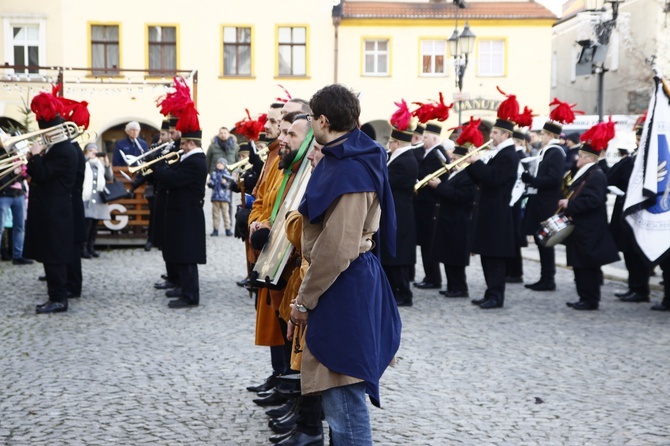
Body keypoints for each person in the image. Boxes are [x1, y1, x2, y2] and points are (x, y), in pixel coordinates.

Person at [288, 84, 401, 444]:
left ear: (322, 120)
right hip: (340, 282)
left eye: (310, 119)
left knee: (343, 393)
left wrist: (304, 301)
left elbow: (338, 247)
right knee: (338, 394)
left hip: (344, 285)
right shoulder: (345, 157)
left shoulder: (352, 169)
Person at [24, 92, 78, 314]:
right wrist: (34, 158)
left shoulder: (64, 151)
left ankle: (58, 299)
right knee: (49, 254)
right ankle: (55, 296)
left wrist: (36, 157)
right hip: (50, 209)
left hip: (54, 211)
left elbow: (44, 175)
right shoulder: (56, 149)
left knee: (54, 256)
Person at [467, 90, 520, 309]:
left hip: (498, 213)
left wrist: (477, 163)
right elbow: (482, 179)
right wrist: (471, 165)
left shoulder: (509, 155)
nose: (492, 136)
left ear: (506, 135)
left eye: (496, 133)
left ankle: (496, 296)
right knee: (487, 255)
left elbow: (494, 179)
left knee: (495, 258)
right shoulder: (498, 153)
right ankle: (490, 292)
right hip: (489, 212)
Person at [152, 99, 207, 309]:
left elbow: (174, 179)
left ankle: (190, 296)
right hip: (183, 213)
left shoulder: (195, 161)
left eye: (183, 144)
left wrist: (158, 167)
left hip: (188, 215)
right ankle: (185, 291)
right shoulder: (190, 159)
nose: (180, 147)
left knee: (187, 258)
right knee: (183, 256)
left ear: (191, 143)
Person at [560, 121, 620, 310]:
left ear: (588, 158)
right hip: (583, 227)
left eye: (581, 155)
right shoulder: (588, 173)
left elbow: (593, 201)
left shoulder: (595, 175)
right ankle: (584, 296)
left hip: (590, 229)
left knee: (587, 266)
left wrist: (571, 204)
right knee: (581, 265)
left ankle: (589, 299)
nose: (577, 158)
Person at [521, 104, 571, 291]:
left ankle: (548, 279)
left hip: (547, 202)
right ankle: (545, 277)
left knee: (546, 241)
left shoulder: (555, 152)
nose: (540, 137)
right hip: (540, 200)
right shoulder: (548, 152)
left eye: (542, 134)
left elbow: (554, 179)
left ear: (550, 135)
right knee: (541, 241)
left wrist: (532, 180)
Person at [429, 120, 479, 298]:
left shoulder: (467, 176)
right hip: (448, 219)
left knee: (455, 258)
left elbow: (460, 196)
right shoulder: (454, 174)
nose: (453, 161)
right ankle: (452, 286)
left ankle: (459, 287)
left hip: (459, 220)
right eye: (453, 159)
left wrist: (439, 187)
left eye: (456, 159)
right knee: (447, 256)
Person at [382, 125, 418, 307]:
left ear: (396, 142)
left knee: (399, 258)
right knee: (392, 255)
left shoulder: (405, 161)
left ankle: (404, 293)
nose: (389, 145)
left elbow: (385, 181)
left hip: (400, 214)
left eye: (390, 142)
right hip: (396, 212)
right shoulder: (398, 157)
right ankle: (395, 291)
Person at [413, 121, 449, 290]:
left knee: (429, 244)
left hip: (430, 204)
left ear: (435, 138)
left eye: (426, 137)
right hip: (423, 204)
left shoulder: (438, 154)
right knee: (426, 244)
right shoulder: (428, 152)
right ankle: (430, 276)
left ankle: (433, 278)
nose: (423, 139)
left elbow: (431, 175)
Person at [0, 142, 31, 265]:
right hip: (3, 194)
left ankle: (18, 255)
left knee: (20, 227)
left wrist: (23, 170)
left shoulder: (16, 154)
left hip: (18, 194)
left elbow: (26, 176)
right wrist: (13, 171)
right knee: (0, 227)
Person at [82, 142, 113, 257]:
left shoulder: (100, 165)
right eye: (90, 151)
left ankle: (91, 247)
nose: (93, 153)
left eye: (95, 151)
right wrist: (86, 158)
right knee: (87, 224)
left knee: (95, 225)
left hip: (99, 198)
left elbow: (110, 177)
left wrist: (106, 163)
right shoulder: (84, 163)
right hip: (87, 198)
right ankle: (83, 248)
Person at [208, 158, 234, 236]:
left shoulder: (227, 174)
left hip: (224, 198)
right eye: (218, 163)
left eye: (221, 164)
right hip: (215, 197)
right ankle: (215, 229)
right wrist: (210, 183)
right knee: (215, 215)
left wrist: (225, 183)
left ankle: (228, 229)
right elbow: (211, 184)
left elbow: (229, 185)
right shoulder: (213, 174)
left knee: (226, 214)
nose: (219, 165)